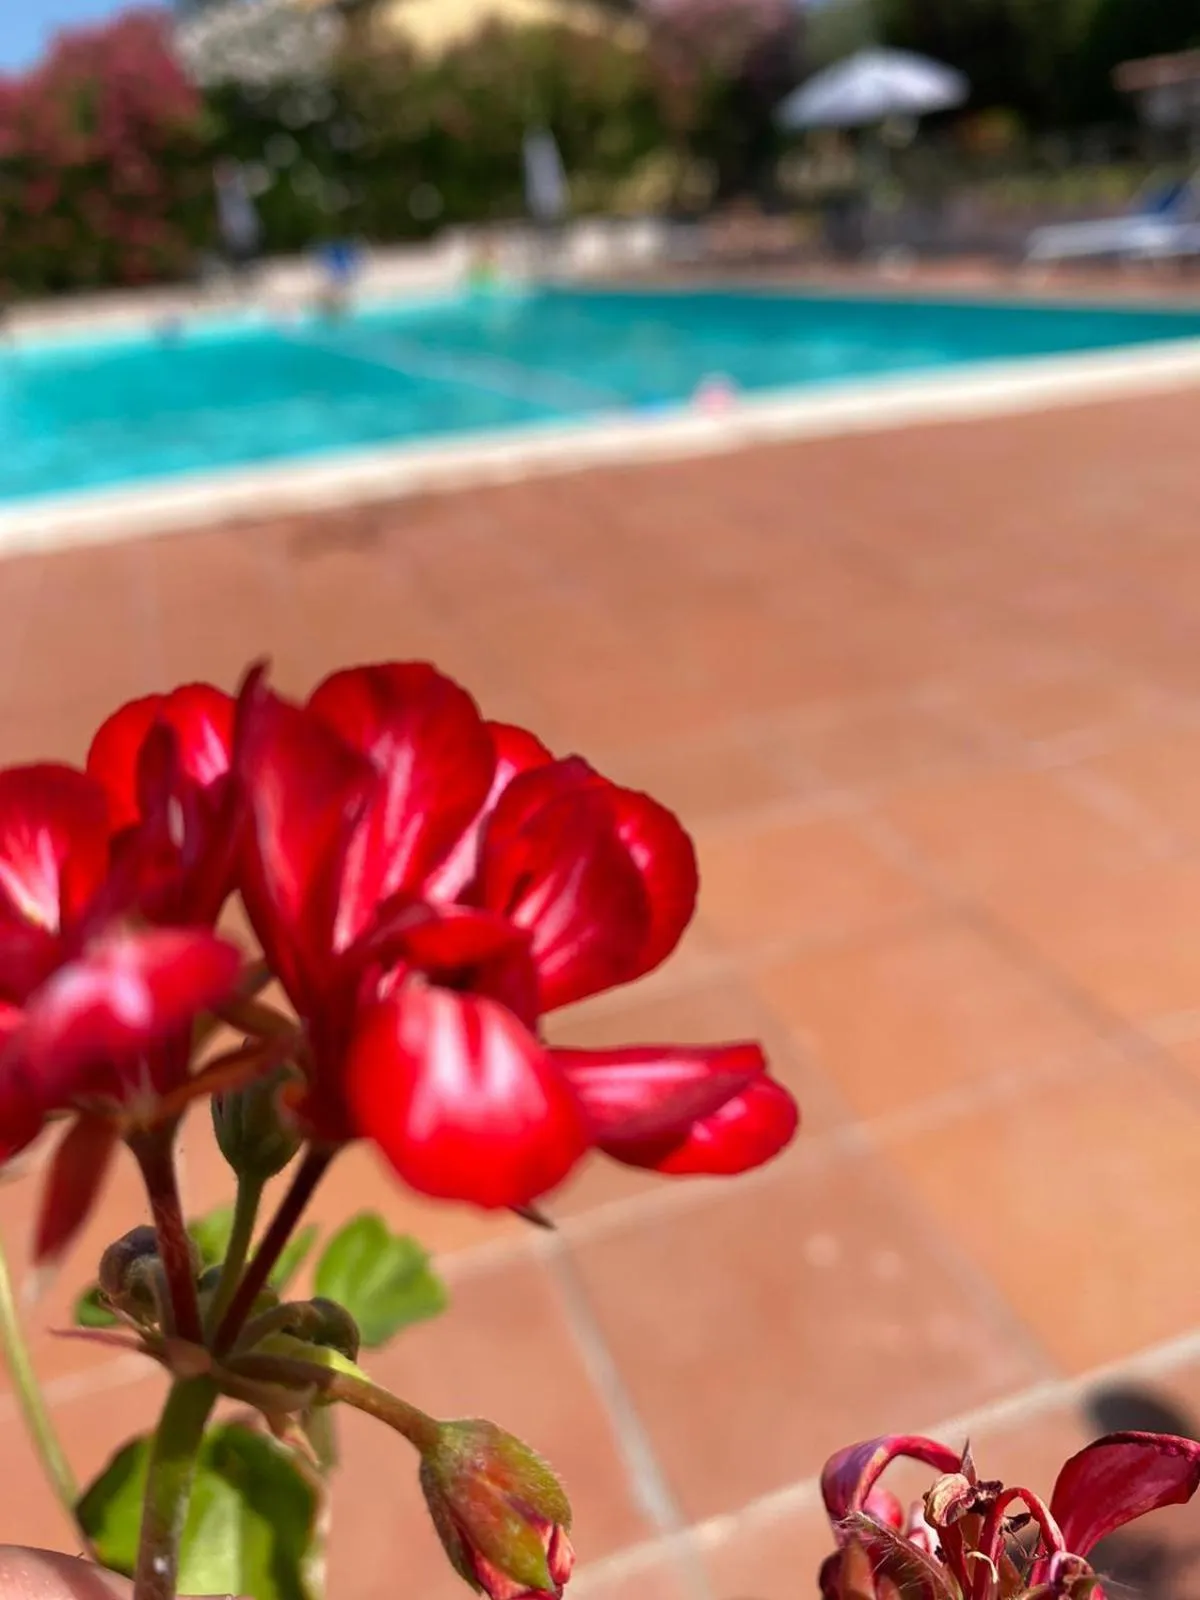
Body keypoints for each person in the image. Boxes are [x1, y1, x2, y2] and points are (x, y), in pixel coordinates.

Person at [212, 159, 262, 284]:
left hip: (243, 225)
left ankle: (248, 277)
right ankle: (241, 277)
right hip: (235, 227)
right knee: (236, 254)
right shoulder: (223, 192)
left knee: (247, 252)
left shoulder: (238, 187)